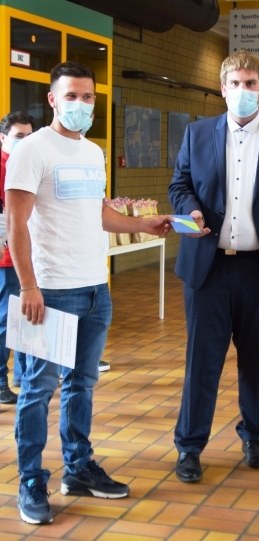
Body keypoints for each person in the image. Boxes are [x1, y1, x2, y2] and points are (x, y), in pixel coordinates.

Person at [5, 61, 172, 525]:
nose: (80, 104)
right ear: (52, 100)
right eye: (71, 96)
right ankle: (31, 481)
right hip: (50, 293)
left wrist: (143, 223)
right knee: (37, 389)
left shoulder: (94, 152)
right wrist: (29, 286)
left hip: (96, 289)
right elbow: (16, 225)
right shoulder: (32, 150)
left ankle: (78, 468)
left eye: (87, 97)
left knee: (83, 384)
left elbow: (97, 212)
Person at [169, 49, 259, 483]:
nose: (242, 91)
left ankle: (255, 436)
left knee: (256, 361)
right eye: (235, 84)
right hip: (208, 269)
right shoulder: (197, 133)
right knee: (202, 361)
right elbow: (179, 183)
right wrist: (191, 209)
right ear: (223, 89)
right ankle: (190, 446)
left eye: (250, 84)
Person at [0, 111, 34, 403]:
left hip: (28, 255)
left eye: (29, 136)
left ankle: (23, 374)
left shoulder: (27, 165)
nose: (25, 142)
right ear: (3, 138)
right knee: (5, 320)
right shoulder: (2, 167)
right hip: (6, 259)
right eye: (18, 136)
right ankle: (0, 380)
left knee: (25, 318)